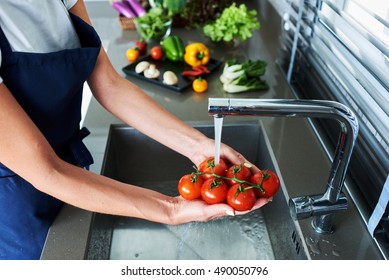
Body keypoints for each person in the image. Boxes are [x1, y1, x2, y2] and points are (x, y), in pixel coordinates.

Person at [0, 0, 270, 260]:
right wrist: (170, 209)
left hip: (71, 172)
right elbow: (48, 171)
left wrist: (198, 147)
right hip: (18, 204)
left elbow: (108, 85)